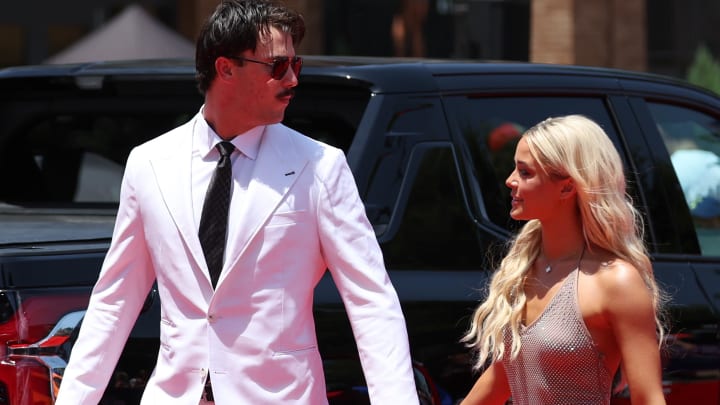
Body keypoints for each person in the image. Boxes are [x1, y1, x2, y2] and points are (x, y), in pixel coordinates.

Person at [54, 1, 419, 404]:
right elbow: (115, 299)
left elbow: (371, 300)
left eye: (297, 65)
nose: (294, 79)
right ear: (226, 68)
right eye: (278, 66)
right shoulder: (150, 163)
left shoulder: (320, 166)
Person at [460, 115, 667, 405]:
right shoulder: (523, 265)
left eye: (525, 172)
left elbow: (648, 398)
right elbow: (505, 375)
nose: (510, 180)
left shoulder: (615, 281)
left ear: (567, 188)